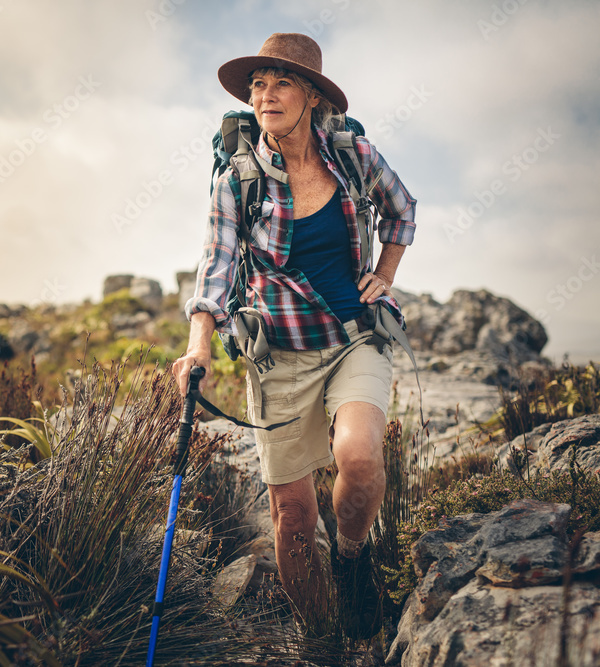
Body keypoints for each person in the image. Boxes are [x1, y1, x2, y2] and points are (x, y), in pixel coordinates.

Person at [172, 33, 416, 640]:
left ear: (311, 95)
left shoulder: (351, 154)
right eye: (258, 84)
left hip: (355, 338)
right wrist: (199, 340)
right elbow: (216, 264)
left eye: (281, 82)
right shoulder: (238, 179)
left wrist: (383, 275)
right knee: (293, 516)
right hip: (278, 355)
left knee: (359, 461)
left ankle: (353, 557)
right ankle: (326, 639)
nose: (266, 95)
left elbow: (403, 209)